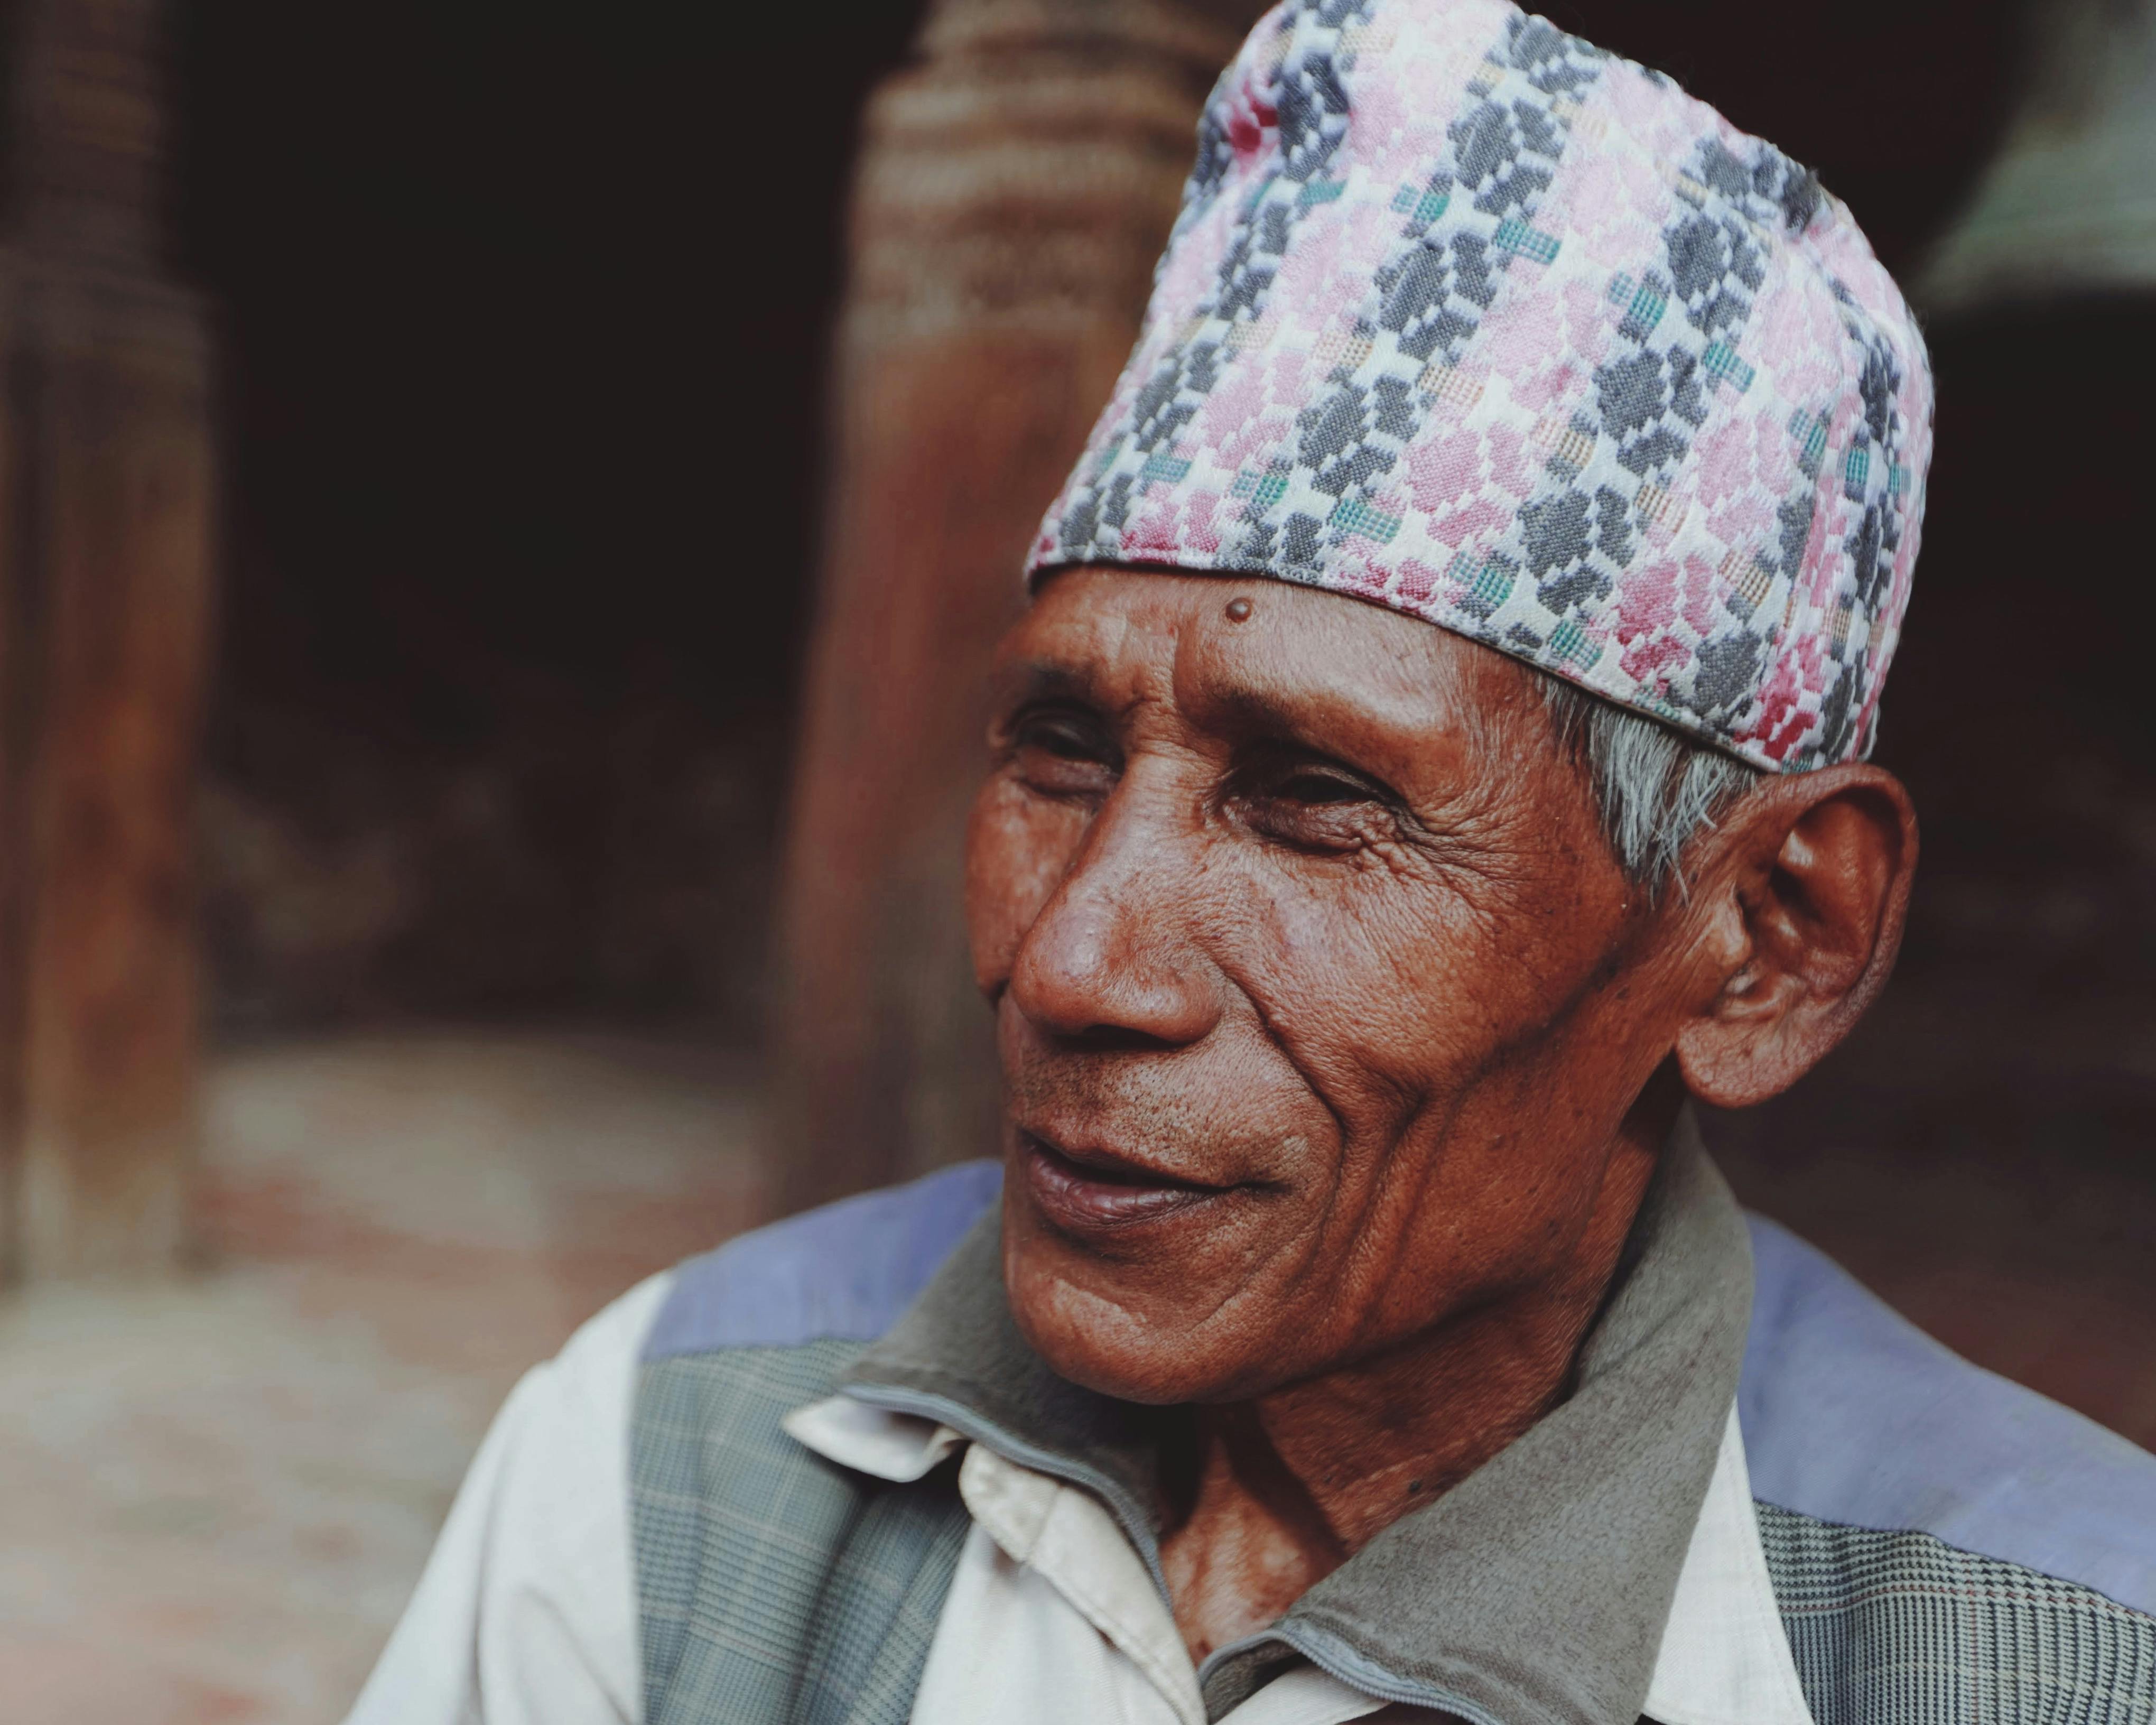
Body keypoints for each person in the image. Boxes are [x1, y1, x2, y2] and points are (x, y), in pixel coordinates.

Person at [348, 2, 2156, 1720]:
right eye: (1059, 752)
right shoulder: (666, 1450)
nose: (1074, 967)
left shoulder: (2058, 1660)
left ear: (1768, 939)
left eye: (1315, 800)